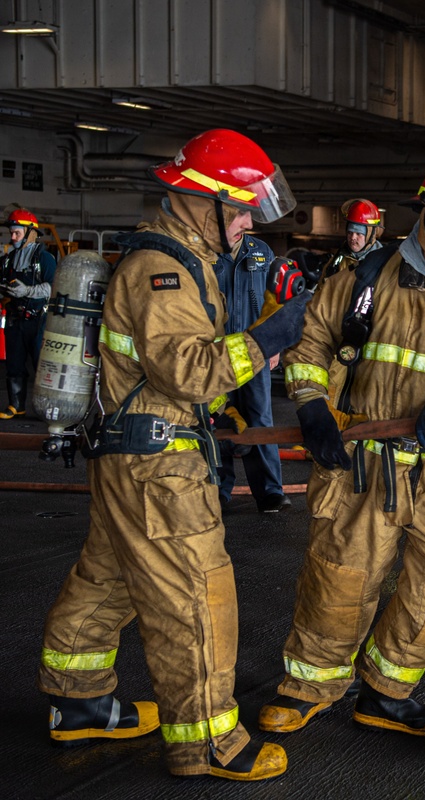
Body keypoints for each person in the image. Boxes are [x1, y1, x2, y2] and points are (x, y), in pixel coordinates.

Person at [37, 129, 308, 781]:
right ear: (200, 201)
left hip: (130, 456)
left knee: (108, 580)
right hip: (158, 465)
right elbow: (185, 371)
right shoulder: (163, 271)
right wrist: (270, 335)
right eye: (239, 208)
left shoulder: (177, 261)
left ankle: (77, 703)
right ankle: (208, 742)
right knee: (195, 592)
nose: (247, 223)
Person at [257, 156, 425, 741]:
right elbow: (310, 342)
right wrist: (312, 406)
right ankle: (307, 688)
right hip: (361, 462)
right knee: (340, 580)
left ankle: (385, 694)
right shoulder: (367, 276)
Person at [212, 230, 290, 513]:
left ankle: (270, 491)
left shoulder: (262, 251)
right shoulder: (209, 251)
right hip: (217, 352)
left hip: (254, 349)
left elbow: (275, 301)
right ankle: (218, 489)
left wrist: (275, 343)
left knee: (260, 419)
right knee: (220, 417)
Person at [0, 209, 57, 419]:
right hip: (15, 320)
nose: (13, 237)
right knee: (14, 364)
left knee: (42, 366)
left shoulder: (45, 258)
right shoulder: (8, 260)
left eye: (17, 233)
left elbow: (54, 286)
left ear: (30, 233)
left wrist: (28, 291)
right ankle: (16, 405)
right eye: (12, 233)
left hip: (38, 320)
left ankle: (49, 408)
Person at [316, 198, 385, 284]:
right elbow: (322, 288)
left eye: (358, 233)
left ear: (370, 235)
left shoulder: (382, 263)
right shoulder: (338, 258)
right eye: (350, 232)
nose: (353, 237)